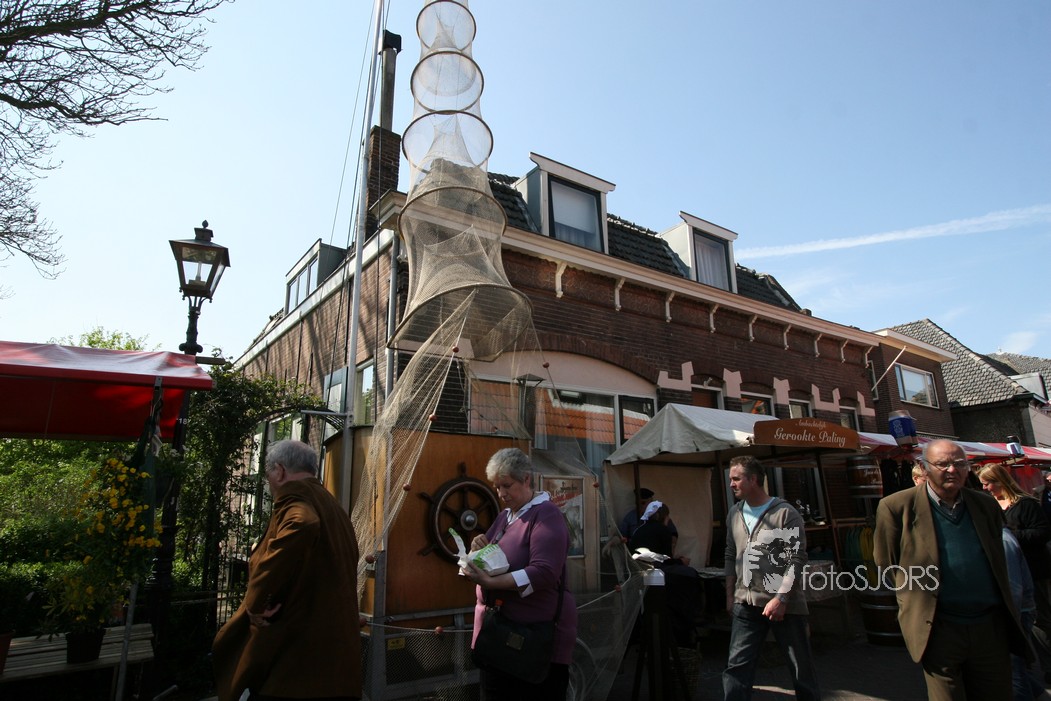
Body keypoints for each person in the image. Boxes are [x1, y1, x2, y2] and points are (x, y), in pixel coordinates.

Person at [874, 439, 1031, 701]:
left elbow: (997, 558)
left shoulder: (985, 505)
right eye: (943, 464)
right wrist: (918, 603)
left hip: (989, 626)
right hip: (939, 628)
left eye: (959, 464)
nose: (952, 470)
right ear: (925, 468)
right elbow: (887, 564)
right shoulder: (896, 506)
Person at [212, 440, 362, 701]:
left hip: (295, 666)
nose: (269, 481)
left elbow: (303, 523)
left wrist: (256, 603)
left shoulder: (295, 497)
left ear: (280, 471)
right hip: (335, 664)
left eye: (268, 473)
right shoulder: (332, 505)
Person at [463, 447, 578, 701]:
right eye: (496, 487)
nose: (501, 494)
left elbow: (544, 572)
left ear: (526, 479)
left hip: (530, 641)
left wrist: (491, 581)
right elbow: (490, 557)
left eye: (507, 485)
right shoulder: (506, 517)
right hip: (499, 638)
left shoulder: (546, 515)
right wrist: (476, 549)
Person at [722, 455, 821, 701]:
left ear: (753, 479)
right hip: (745, 603)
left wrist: (781, 598)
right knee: (737, 668)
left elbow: (796, 558)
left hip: (784, 606)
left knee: (800, 668)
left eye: (736, 479)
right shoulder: (734, 513)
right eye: (731, 479)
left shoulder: (785, 513)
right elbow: (731, 554)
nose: (731, 484)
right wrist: (730, 595)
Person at [979, 462, 1051, 683]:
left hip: (1033, 570)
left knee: (1039, 619)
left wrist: (1009, 537)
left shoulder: (1025, 504)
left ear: (1000, 481)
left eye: (987, 483)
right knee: (1013, 619)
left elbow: (1042, 532)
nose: (984, 488)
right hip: (1005, 573)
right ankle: (1024, 667)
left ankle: (1048, 666)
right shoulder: (989, 505)